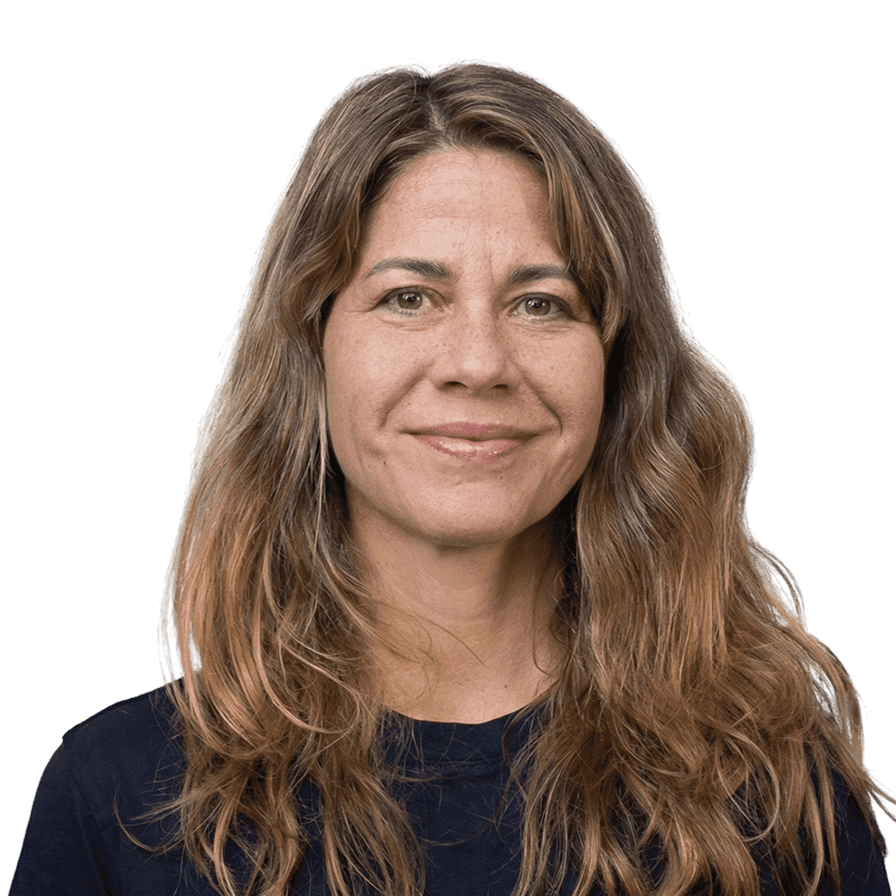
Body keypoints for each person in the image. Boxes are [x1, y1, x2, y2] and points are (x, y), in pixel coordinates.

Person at [9, 59, 893, 896]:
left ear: (620, 368)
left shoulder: (777, 795)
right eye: (409, 298)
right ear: (313, 346)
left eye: (542, 303)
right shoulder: (116, 798)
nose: (478, 363)